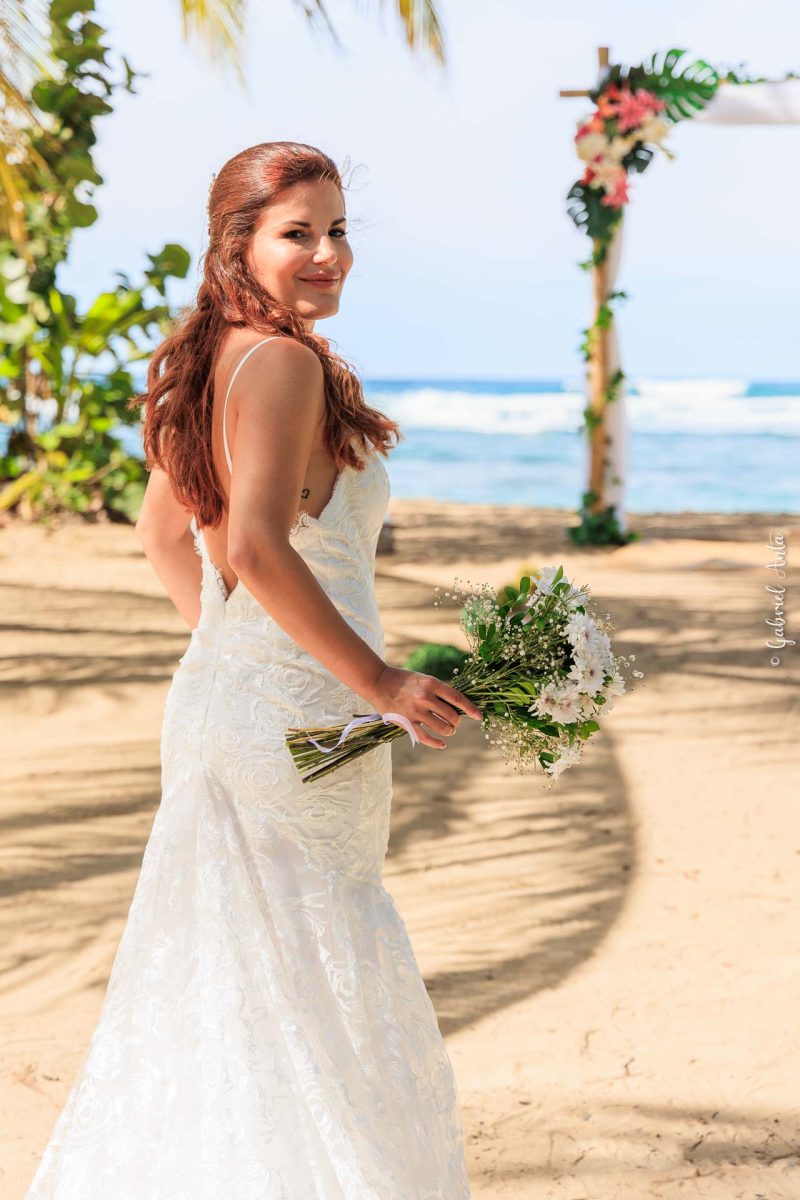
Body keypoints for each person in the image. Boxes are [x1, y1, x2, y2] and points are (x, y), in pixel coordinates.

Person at [24, 140, 482, 1199]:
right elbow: (254, 550)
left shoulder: (208, 356)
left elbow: (160, 538)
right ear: (239, 244)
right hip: (297, 724)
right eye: (297, 234)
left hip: (232, 709)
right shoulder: (280, 363)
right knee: (309, 981)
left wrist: (236, 658)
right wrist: (381, 684)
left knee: (237, 985)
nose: (326, 255)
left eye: (336, 231)